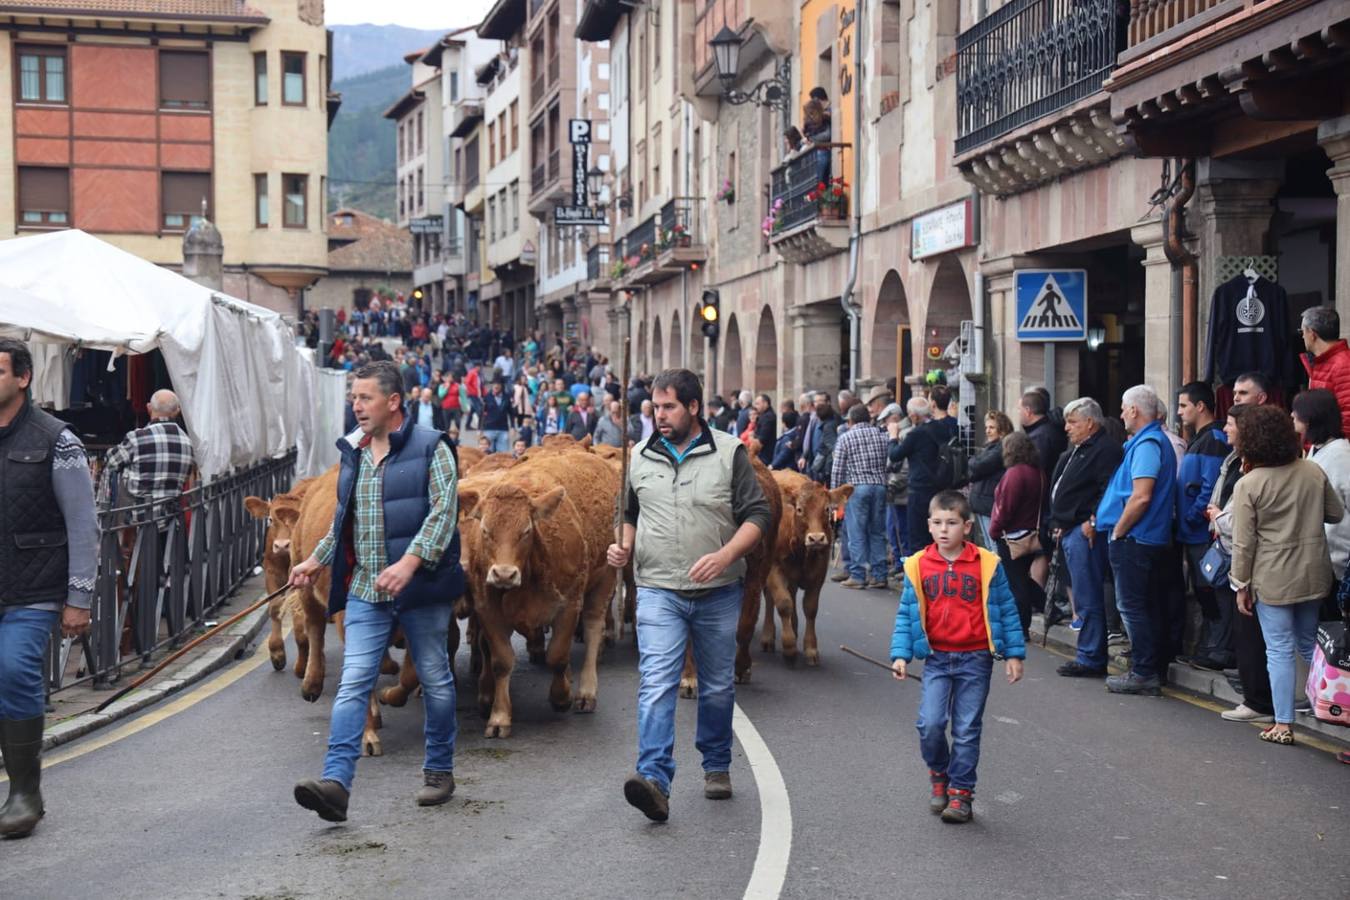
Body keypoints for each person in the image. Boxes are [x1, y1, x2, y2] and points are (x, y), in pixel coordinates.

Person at [288, 360, 463, 821]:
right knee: (353, 682)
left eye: (365, 398)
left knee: (436, 680)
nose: (357, 406)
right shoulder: (354, 452)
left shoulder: (433, 448)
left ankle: (439, 771)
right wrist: (315, 560)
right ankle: (336, 784)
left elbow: (444, 515)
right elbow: (344, 520)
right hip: (366, 588)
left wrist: (410, 563)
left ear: (393, 402)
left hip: (421, 588)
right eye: (353, 398)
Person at [607, 368, 771, 822]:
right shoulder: (638, 455)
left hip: (717, 591)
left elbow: (758, 514)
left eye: (669, 407)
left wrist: (726, 555)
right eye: (655, 407)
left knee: (717, 685)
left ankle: (716, 763)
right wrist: (622, 545)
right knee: (657, 681)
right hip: (658, 587)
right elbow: (628, 511)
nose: (659, 415)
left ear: (694, 408)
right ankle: (654, 778)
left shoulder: (729, 453)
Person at [0, 339, 97, 838]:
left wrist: (78, 598)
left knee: (15, 672)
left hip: (33, 588)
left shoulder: (57, 439)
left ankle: (24, 793)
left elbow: (83, 524)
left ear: (23, 378)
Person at [889, 491, 1025, 825]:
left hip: (975, 658)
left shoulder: (987, 564)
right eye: (937, 523)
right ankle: (940, 774)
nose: (944, 529)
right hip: (937, 658)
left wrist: (1013, 653)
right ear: (929, 525)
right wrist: (901, 654)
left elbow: (1007, 609)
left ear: (967, 526)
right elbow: (907, 613)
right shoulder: (918, 565)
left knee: (966, 727)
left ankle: (961, 793)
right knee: (930, 723)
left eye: (951, 523)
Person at [1228, 404, 1344, 745]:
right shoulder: (1311, 471)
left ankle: (1282, 723)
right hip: (1313, 571)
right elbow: (1335, 515)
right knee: (1310, 645)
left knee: (1277, 649)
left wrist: (1240, 585)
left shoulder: (1249, 484)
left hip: (1273, 576)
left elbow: (1244, 544)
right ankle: (1324, 703)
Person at [1092, 385, 1178, 695]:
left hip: (1136, 539)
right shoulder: (1147, 442)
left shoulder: (1147, 444)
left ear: (1134, 411)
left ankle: (1143, 672)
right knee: (1142, 607)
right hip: (1140, 538)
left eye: (1124, 408)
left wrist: (1118, 531)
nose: (1120, 414)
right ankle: (1149, 669)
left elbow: (1141, 496)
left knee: (1132, 608)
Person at [1206, 404, 1275, 723]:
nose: (1225, 429)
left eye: (1231, 424)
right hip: (1268, 561)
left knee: (1263, 639)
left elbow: (1242, 529)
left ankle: (1262, 703)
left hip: (1256, 564)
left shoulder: (1252, 476)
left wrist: (1241, 582)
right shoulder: (1237, 462)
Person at [1048, 398, 1123, 678]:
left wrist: (1092, 520)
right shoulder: (1079, 449)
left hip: (1085, 532)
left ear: (1090, 423)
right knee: (1081, 594)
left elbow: (1108, 490)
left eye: (1073, 422)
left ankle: (1091, 657)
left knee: (1088, 594)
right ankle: (1087, 653)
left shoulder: (1104, 450)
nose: (1067, 428)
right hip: (1069, 529)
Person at [1175, 382, 1231, 670]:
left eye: (1184, 405)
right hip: (1192, 531)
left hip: (1201, 533)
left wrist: (1192, 516)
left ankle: (1217, 651)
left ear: (1201, 406)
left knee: (1212, 592)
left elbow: (1210, 487)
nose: (1179, 411)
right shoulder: (1200, 438)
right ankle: (1210, 648)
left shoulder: (1214, 439)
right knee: (1204, 593)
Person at [1291, 389, 1350, 608]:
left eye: (1296, 412)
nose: (1291, 416)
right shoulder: (1316, 449)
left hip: (1337, 561)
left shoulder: (1341, 455)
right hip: (1318, 560)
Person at [102, 389, 195, 518]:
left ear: (149, 408)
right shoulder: (188, 443)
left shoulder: (136, 438)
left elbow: (110, 462)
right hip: (171, 521)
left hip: (138, 521)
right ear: (177, 411)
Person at [986, 433, 1044, 637]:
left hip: (1012, 536)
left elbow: (1006, 508)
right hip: (1030, 533)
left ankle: (1021, 626)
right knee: (1020, 578)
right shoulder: (1037, 472)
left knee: (1015, 582)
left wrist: (994, 529)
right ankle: (1045, 606)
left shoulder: (1015, 474)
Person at [831, 404, 891, 589]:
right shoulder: (882, 436)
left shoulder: (845, 438)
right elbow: (888, 461)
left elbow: (838, 469)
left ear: (851, 420)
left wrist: (835, 496)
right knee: (877, 531)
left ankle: (857, 574)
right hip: (879, 486)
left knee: (856, 531)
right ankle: (879, 574)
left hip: (857, 487)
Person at [888, 397, 945, 555]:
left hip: (920, 490)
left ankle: (918, 575)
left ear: (913, 416)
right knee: (937, 536)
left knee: (918, 537)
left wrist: (893, 436)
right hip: (940, 488)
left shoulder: (916, 434)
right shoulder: (942, 428)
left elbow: (895, 455)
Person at [1300, 306, 1350, 438]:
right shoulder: (1320, 362)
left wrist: (1336, 449)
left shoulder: (1343, 364)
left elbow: (1348, 415)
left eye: (1303, 331)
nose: (1302, 336)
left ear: (1312, 334)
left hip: (1334, 451)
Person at [967, 411, 1012, 546]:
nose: (987, 431)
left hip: (989, 503)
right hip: (983, 502)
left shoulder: (1001, 448)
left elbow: (979, 465)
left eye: (992, 427)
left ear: (1002, 429)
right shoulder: (991, 447)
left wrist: (972, 461)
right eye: (986, 427)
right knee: (989, 544)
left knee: (993, 546)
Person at [480, 379, 513, 454]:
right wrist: (479, 429)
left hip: (503, 428)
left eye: (498, 384)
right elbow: (482, 413)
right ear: (492, 386)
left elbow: (511, 412)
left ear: (501, 386)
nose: (496, 386)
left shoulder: (506, 397)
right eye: (494, 384)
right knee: (487, 452)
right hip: (489, 427)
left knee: (503, 452)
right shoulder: (487, 397)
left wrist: (513, 426)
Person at [752, 393, 776, 466]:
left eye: (758, 404)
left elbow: (762, 438)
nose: (756, 406)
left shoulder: (768, 417)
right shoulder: (763, 416)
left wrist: (753, 439)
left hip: (765, 454)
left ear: (765, 403)